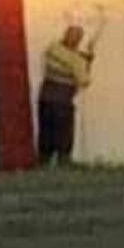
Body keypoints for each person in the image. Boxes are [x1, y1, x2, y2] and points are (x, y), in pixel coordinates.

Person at [37, 25, 94, 166]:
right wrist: (88, 63)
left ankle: (44, 160)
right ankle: (63, 160)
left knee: (46, 131)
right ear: (78, 40)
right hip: (63, 99)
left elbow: (61, 59)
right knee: (64, 132)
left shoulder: (52, 48)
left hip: (45, 97)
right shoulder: (77, 60)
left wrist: (81, 58)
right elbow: (84, 81)